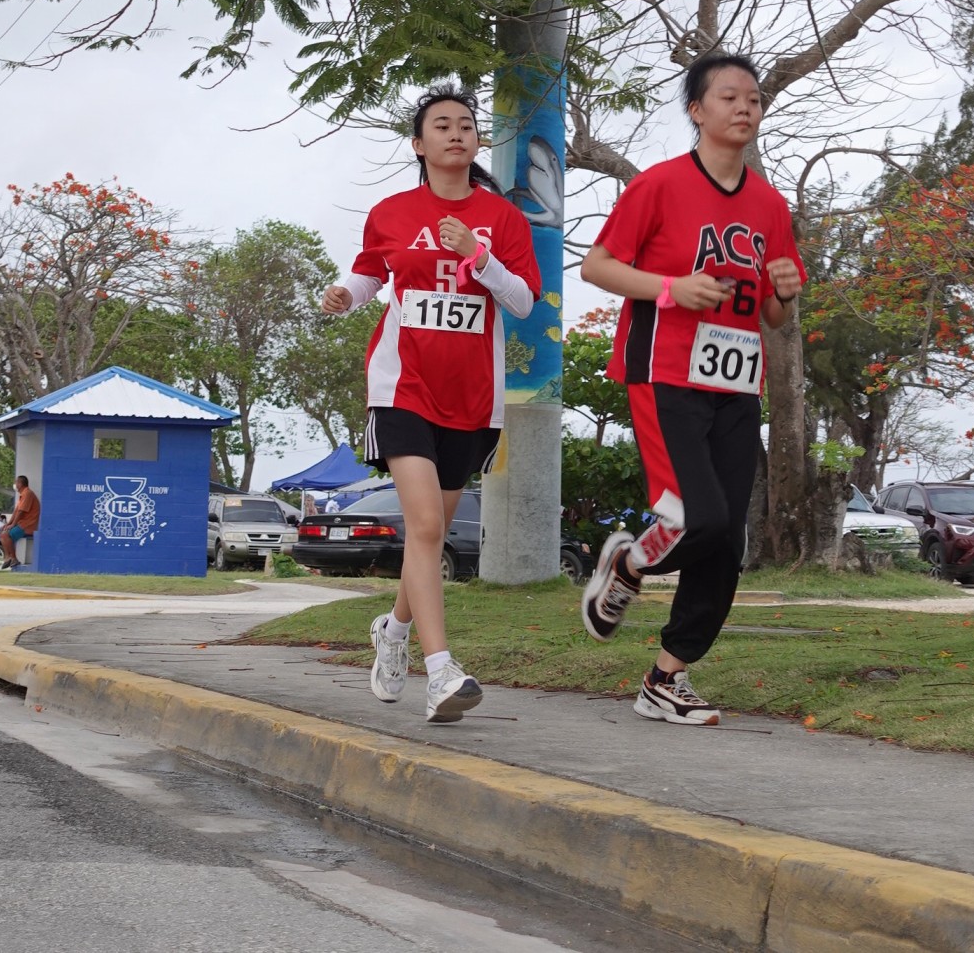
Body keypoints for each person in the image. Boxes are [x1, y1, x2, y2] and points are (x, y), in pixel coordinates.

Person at [579, 52, 805, 725]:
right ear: (696, 111)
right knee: (696, 516)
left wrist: (786, 295)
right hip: (665, 368)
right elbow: (598, 266)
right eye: (729, 97)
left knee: (727, 538)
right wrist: (671, 289)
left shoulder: (770, 204)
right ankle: (631, 559)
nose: (745, 108)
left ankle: (666, 677)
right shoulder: (659, 185)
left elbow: (771, 313)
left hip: (735, 380)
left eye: (755, 100)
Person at [322, 85, 540, 722]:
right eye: (441, 126)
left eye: (466, 126)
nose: (456, 134)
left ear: (477, 142)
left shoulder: (502, 219)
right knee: (423, 528)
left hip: (472, 399)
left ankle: (392, 632)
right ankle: (441, 671)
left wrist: (478, 256)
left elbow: (523, 302)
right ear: (418, 145)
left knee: (432, 532)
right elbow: (370, 274)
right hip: (403, 387)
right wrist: (347, 295)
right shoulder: (392, 212)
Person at [0, 475, 41, 570]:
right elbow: (16, 512)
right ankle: (8, 557)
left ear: (20, 484)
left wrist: (13, 524)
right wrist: (8, 524)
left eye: (16, 482)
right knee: (2, 533)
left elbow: (21, 511)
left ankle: (12, 558)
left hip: (27, 526)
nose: (15, 485)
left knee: (5, 535)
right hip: (22, 525)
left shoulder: (27, 493)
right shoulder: (22, 495)